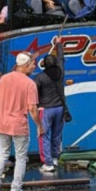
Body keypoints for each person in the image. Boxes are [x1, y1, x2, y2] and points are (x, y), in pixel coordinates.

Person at [0, 52, 44, 191]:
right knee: (21, 158)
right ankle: (15, 190)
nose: (34, 66)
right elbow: (32, 109)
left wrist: (0, 116)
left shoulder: (3, 79)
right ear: (26, 65)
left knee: (3, 153)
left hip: (2, 122)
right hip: (19, 125)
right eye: (33, 64)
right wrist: (39, 125)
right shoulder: (29, 84)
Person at [34, 45, 66, 173]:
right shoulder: (61, 72)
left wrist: (35, 106)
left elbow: (33, 91)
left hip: (46, 109)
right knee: (57, 135)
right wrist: (59, 45)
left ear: (44, 65)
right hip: (60, 109)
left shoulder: (40, 77)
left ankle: (48, 163)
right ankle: (54, 158)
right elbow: (61, 58)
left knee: (44, 136)